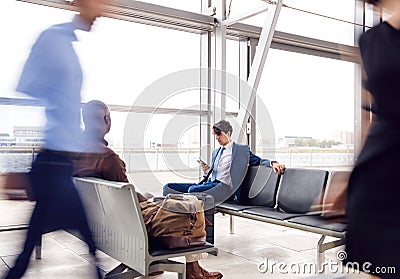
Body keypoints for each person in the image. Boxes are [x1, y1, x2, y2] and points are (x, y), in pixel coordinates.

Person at [3, 1, 104, 278]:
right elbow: (24, 99)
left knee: (31, 254)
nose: (106, 10)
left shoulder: (68, 45)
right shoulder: (52, 41)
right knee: (91, 248)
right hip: (51, 167)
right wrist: (18, 165)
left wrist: (82, 150)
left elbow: (63, 110)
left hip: (60, 167)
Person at [74, 100, 223, 279]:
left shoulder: (73, 153)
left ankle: (172, 266)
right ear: (106, 119)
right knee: (193, 206)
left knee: (152, 196)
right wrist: (149, 203)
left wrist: (149, 200)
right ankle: (194, 270)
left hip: (103, 221)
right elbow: (126, 201)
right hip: (129, 225)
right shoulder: (107, 158)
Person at [344, 0, 400, 278]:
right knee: (376, 264)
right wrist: (347, 177)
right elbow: (369, 113)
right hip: (377, 168)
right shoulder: (369, 40)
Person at [163, 120, 285, 204]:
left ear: (228, 133)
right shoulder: (216, 152)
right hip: (211, 184)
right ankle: (170, 217)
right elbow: (214, 175)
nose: (216, 137)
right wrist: (207, 171)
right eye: (215, 134)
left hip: (226, 189)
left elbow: (258, 161)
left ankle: (185, 212)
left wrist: (273, 163)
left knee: (192, 191)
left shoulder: (241, 150)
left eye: (219, 134)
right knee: (168, 187)